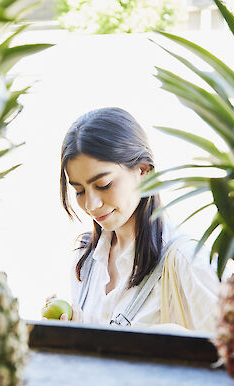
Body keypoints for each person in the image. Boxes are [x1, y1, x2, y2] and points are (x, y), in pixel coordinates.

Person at [55, 107, 219, 332]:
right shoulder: (85, 261)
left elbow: (233, 358)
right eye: (79, 191)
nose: (91, 204)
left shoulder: (186, 262)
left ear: (143, 171)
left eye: (103, 185)